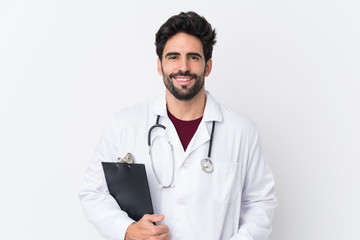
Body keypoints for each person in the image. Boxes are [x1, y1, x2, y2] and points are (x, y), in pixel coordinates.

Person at [79, 11, 277, 240]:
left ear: (208, 66)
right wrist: (127, 230)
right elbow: (93, 193)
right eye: (173, 57)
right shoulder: (123, 124)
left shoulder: (242, 131)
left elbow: (260, 202)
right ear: (159, 66)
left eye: (193, 57)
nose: (183, 67)